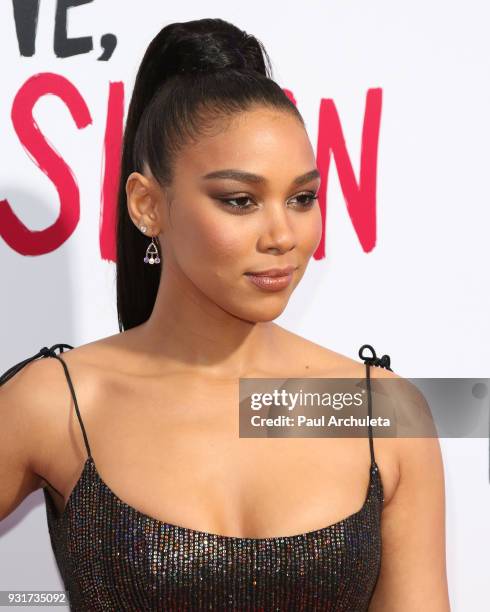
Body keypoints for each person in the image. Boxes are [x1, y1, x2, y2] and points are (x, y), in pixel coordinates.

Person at [0, 17, 449, 611]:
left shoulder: (377, 414)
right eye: (240, 200)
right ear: (147, 205)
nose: (283, 234)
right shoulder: (57, 403)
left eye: (302, 198)